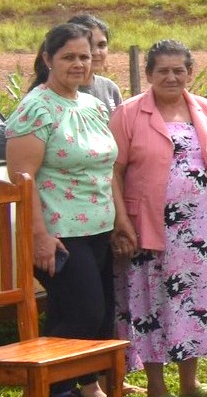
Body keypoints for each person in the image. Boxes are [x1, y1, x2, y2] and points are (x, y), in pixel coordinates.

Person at [6, 23, 121, 397]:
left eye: (84, 57)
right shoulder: (36, 109)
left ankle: (84, 390)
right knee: (83, 314)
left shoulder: (92, 104)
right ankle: (48, 389)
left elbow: (107, 170)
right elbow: (24, 180)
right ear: (47, 59)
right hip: (59, 233)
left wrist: (121, 221)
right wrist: (39, 235)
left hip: (99, 229)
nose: (78, 64)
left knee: (97, 318)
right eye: (68, 57)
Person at [108, 40, 207, 396]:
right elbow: (113, 172)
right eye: (163, 70)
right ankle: (156, 384)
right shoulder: (129, 113)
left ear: (190, 72)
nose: (172, 77)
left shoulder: (204, 108)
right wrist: (121, 223)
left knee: (193, 306)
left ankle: (190, 383)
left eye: (179, 70)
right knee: (150, 305)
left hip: (196, 232)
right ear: (148, 74)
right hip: (147, 229)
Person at [68, 13, 123, 111]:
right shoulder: (58, 93)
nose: (96, 52)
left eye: (102, 45)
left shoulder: (109, 89)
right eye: (89, 45)